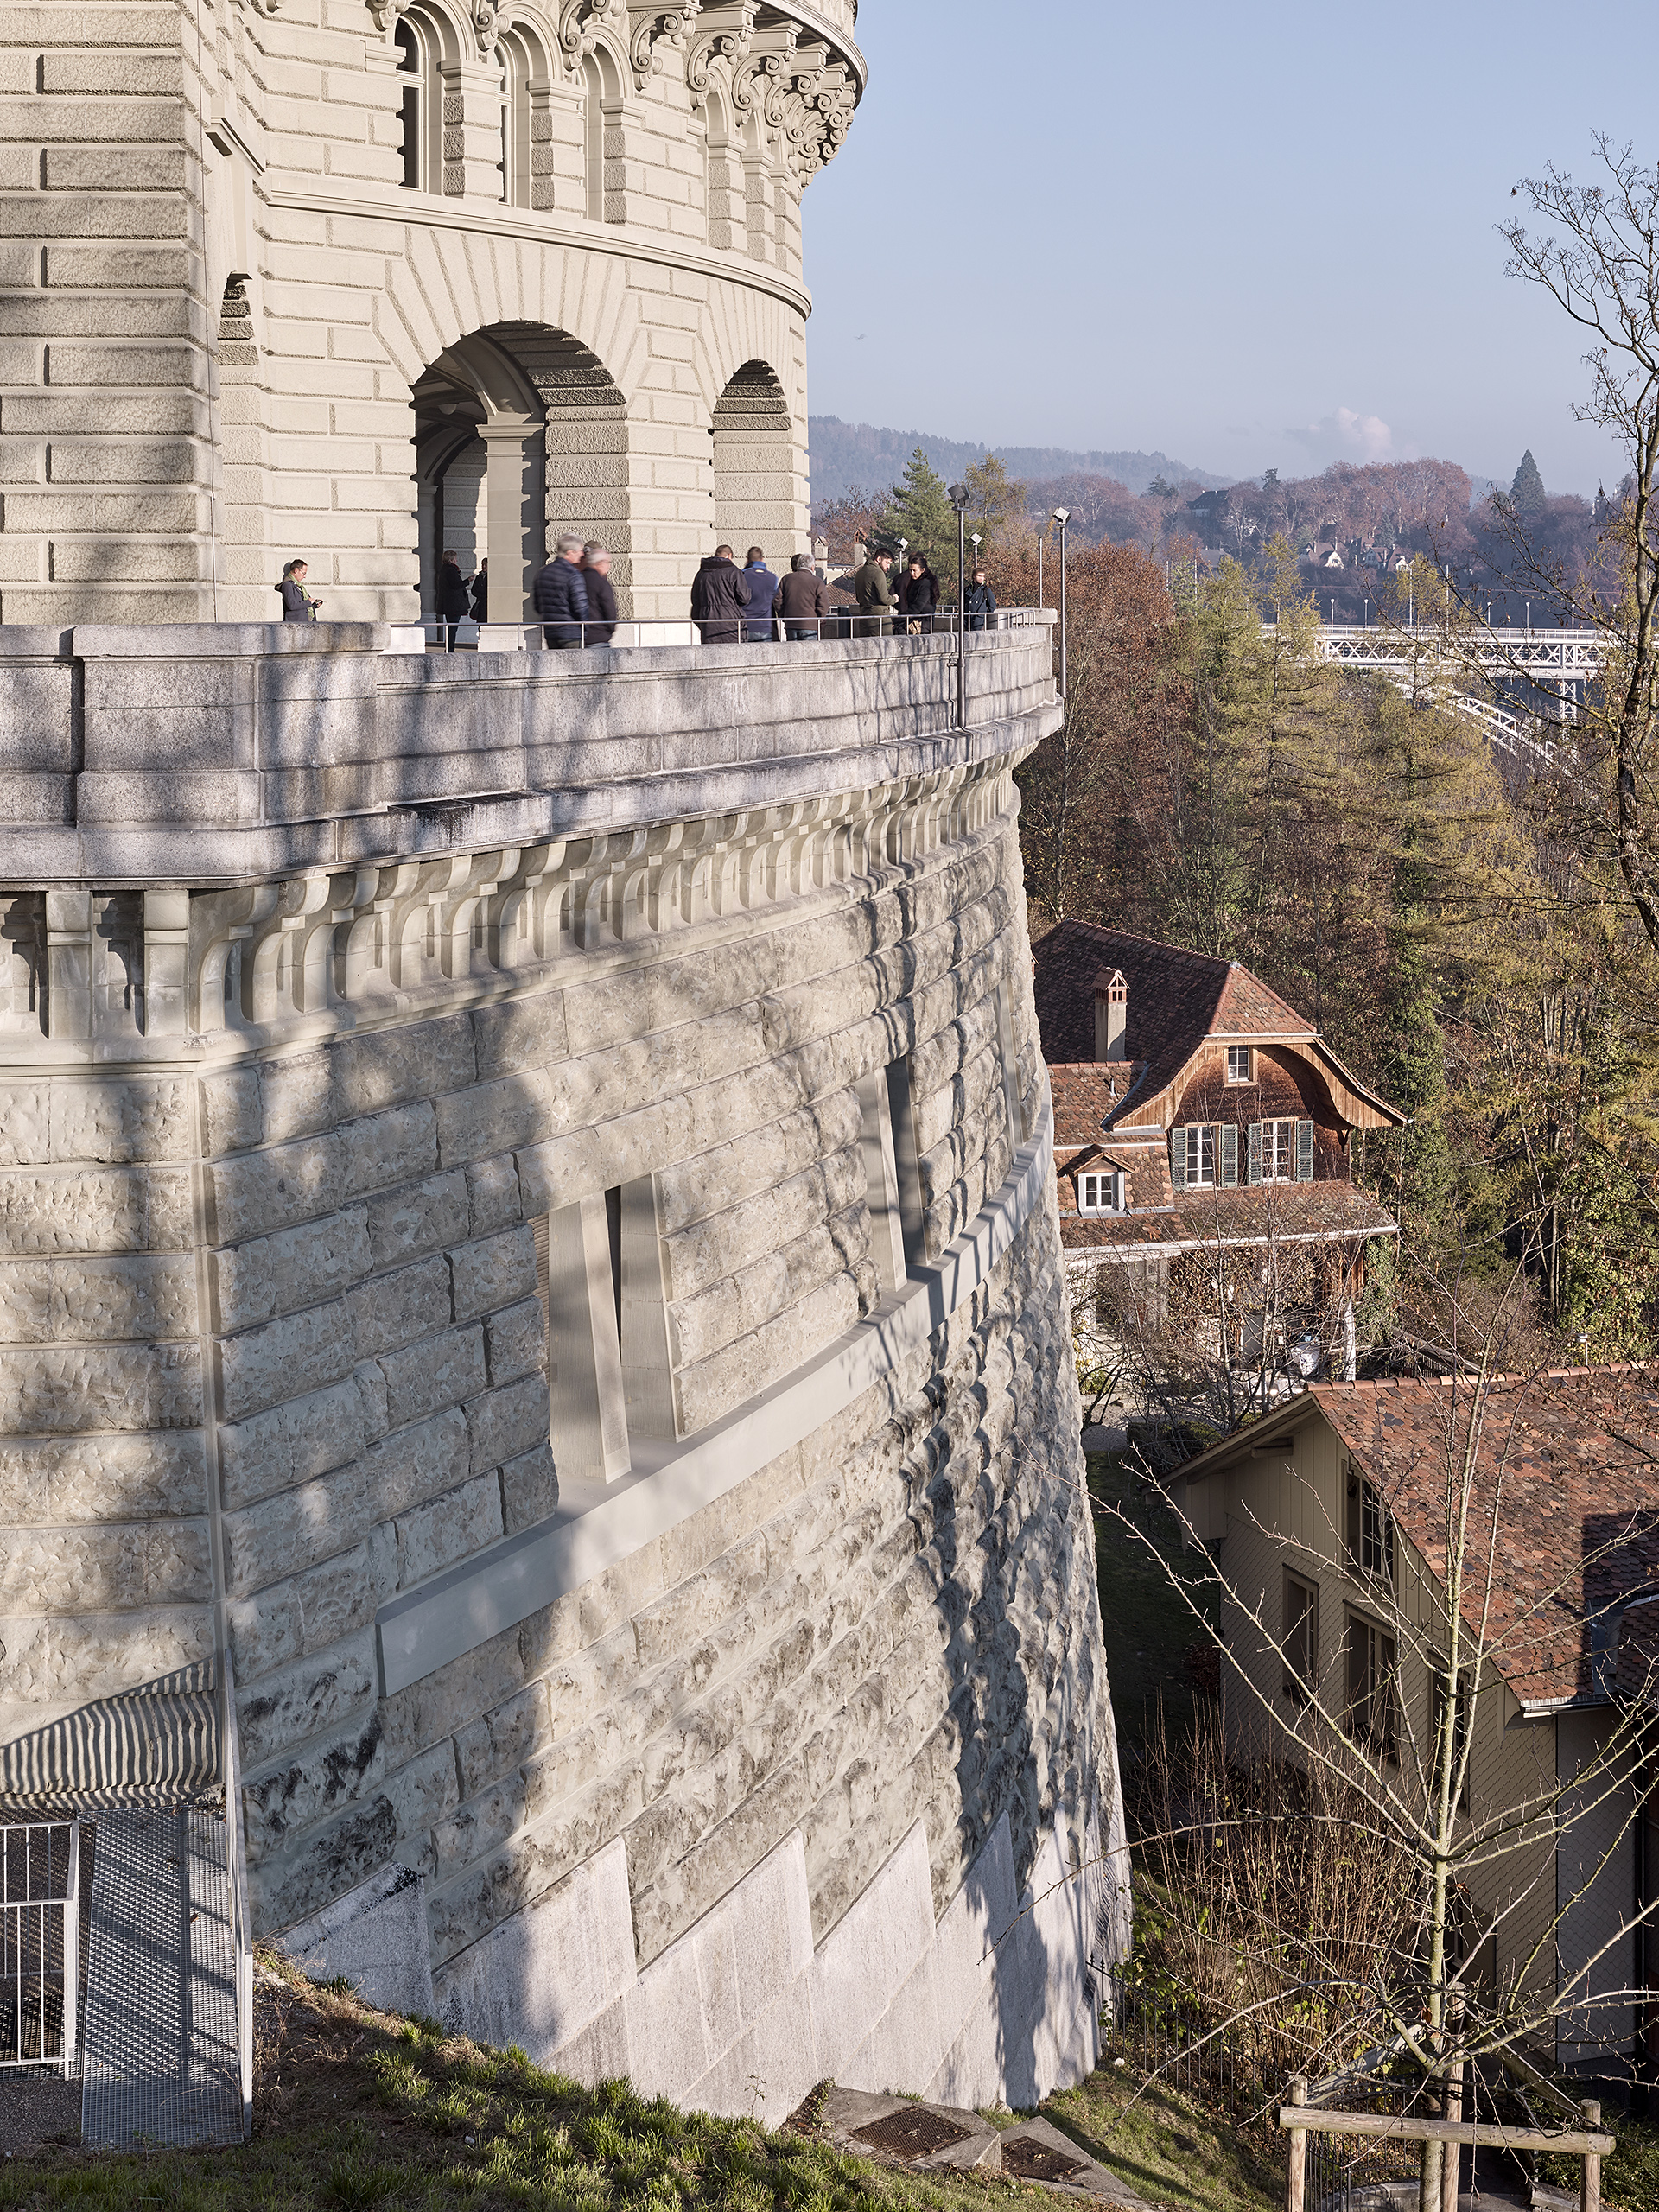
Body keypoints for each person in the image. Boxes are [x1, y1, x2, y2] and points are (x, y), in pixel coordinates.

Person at [532, 532, 590, 648]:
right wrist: (588, 628)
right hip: (571, 633)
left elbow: (538, 606)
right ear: (570, 553)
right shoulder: (573, 575)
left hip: (550, 632)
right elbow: (581, 608)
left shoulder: (543, 573)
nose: (582, 554)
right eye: (579, 551)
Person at [689, 542, 750, 644]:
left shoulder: (701, 573)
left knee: (710, 656)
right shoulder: (734, 572)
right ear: (729, 556)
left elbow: (695, 600)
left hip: (708, 623)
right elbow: (744, 598)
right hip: (731, 622)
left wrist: (701, 621)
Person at [772, 551, 832, 642]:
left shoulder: (786, 579)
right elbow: (824, 604)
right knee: (810, 655)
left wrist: (784, 616)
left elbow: (778, 600)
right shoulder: (817, 582)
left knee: (793, 653)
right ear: (812, 567)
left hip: (791, 624)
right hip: (810, 625)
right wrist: (819, 619)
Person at [852, 546, 894, 638]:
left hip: (864, 618)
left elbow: (859, 598)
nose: (888, 567)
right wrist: (894, 599)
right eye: (887, 563)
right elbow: (884, 598)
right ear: (879, 559)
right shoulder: (878, 573)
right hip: (879, 620)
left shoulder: (860, 572)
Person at [741, 544, 779, 643]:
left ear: (748, 559)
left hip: (746, 626)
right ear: (762, 559)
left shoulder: (742, 576)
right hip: (765, 626)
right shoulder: (772, 578)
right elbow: (776, 600)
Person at [582, 543, 618, 644]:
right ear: (599, 563)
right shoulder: (602, 583)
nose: (609, 566)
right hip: (599, 637)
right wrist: (610, 629)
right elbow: (610, 610)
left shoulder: (577, 579)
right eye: (607, 562)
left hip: (579, 636)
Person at [435, 547, 470, 651]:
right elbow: (456, 585)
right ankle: (450, 648)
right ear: (451, 560)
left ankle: (449, 647)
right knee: (453, 628)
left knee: (451, 627)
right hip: (454, 605)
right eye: (455, 558)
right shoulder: (451, 571)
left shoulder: (445, 570)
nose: (456, 560)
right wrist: (468, 580)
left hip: (449, 604)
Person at [899, 555, 939, 634]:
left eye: (914, 570)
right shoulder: (917, 582)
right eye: (910, 570)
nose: (912, 573)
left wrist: (898, 619)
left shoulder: (925, 583)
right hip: (919, 623)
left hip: (920, 625)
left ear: (922, 570)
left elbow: (918, 607)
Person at [277, 557, 320, 622]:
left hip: (305, 624)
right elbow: (292, 605)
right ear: (296, 570)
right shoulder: (287, 585)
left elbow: (301, 605)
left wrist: (314, 604)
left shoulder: (298, 585)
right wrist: (309, 602)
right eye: (304, 573)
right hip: (295, 626)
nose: (304, 576)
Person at [964, 565, 997, 632]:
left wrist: (982, 614)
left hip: (979, 623)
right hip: (967, 621)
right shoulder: (967, 589)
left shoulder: (986, 590)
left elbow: (992, 606)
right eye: (979, 576)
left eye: (983, 576)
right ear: (974, 576)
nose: (981, 578)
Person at [470, 557, 488, 626]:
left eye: (486, 565)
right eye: (482, 565)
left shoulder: (491, 577)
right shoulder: (479, 577)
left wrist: (481, 593)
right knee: (480, 623)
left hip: (487, 604)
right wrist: (482, 595)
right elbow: (473, 590)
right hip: (480, 603)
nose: (483, 567)